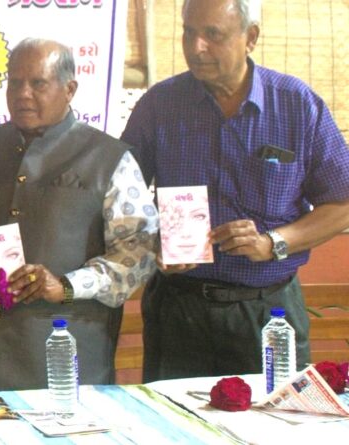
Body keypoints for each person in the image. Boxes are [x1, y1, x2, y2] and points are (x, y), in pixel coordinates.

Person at [121, 0, 349, 382]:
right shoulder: (159, 105)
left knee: (276, 416)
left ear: (250, 37)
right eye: (189, 33)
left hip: (268, 311)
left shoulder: (296, 104)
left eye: (213, 34)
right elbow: (121, 199)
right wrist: (152, 242)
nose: (197, 47)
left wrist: (273, 242)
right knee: (172, 418)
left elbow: (342, 203)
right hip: (179, 313)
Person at [0, 38, 158, 392]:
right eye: (15, 82)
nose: (23, 94)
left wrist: (66, 285)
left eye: (38, 83)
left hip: (67, 355)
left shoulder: (109, 158)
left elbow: (138, 251)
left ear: (69, 90)